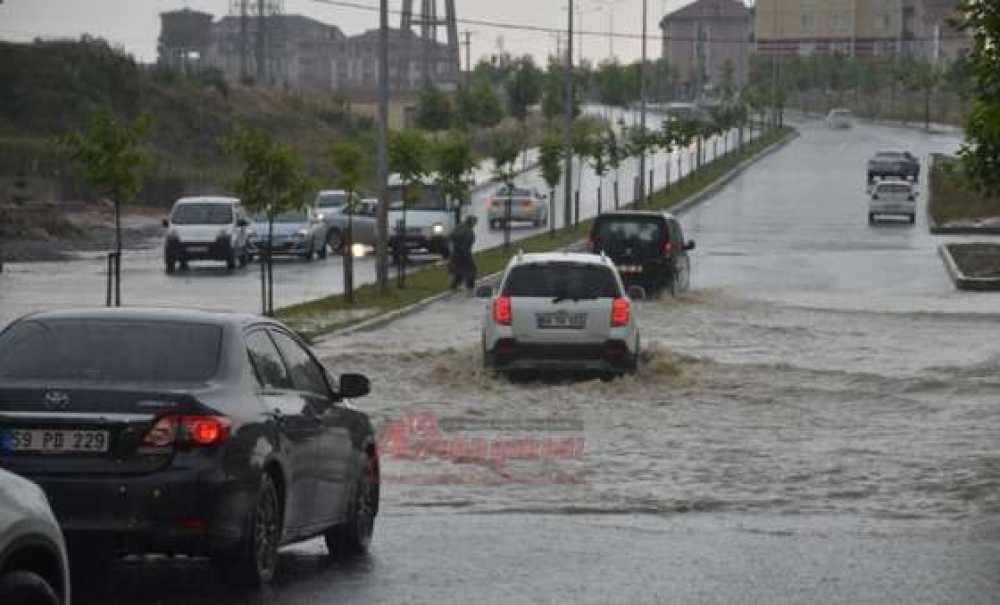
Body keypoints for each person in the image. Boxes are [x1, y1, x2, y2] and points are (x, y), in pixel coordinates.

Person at [448, 215, 478, 291]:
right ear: (471, 222)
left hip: (455, 253)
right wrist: (466, 254)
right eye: (474, 222)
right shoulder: (469, 232)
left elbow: (451, 236)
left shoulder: (459, 227)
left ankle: (454, 287)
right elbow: (466, 245)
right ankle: (470, 287)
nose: (475, 224)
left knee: (459, 271)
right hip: (464, 254)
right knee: (472, 270)